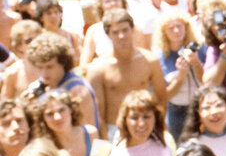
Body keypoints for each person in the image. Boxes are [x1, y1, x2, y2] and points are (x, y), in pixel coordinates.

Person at [86, 10, 167, 139]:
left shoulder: (150, 60)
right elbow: (97, 112)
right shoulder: (98, 68)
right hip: (114, 130)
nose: (121, 36)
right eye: (115, 32)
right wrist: (104, 140)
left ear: (132, 30)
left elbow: (161, 98)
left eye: (125, 30)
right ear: (108, 35)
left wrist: (158, 127)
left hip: (145, 126)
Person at [32, 89, 111, 156]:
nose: (57, 117)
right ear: (43, 119)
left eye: (61, 110)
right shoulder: (46, 148)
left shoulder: (90, 133)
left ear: (70, 110)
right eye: (50, 114)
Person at [25, 32, 99, 130]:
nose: (44, 73)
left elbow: (88, 130)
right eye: (40, 67)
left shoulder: (78, 91)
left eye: (49, 67)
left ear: (63, 62)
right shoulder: (43, 86)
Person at [153, 11, 205, 143]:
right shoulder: (159, 57)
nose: (176, 31)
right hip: (177, 111)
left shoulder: (199, 48)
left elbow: (208, 81)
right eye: (171, 28)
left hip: (201, 105)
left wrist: (196, 63)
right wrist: (180, 76)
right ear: (164, 32)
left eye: (180, 26)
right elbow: (165, 96)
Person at [178, 86, 226, 156]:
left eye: (219, 105)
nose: (214, 112)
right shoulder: (192, 146)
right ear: (198, 115)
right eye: (206, 108)